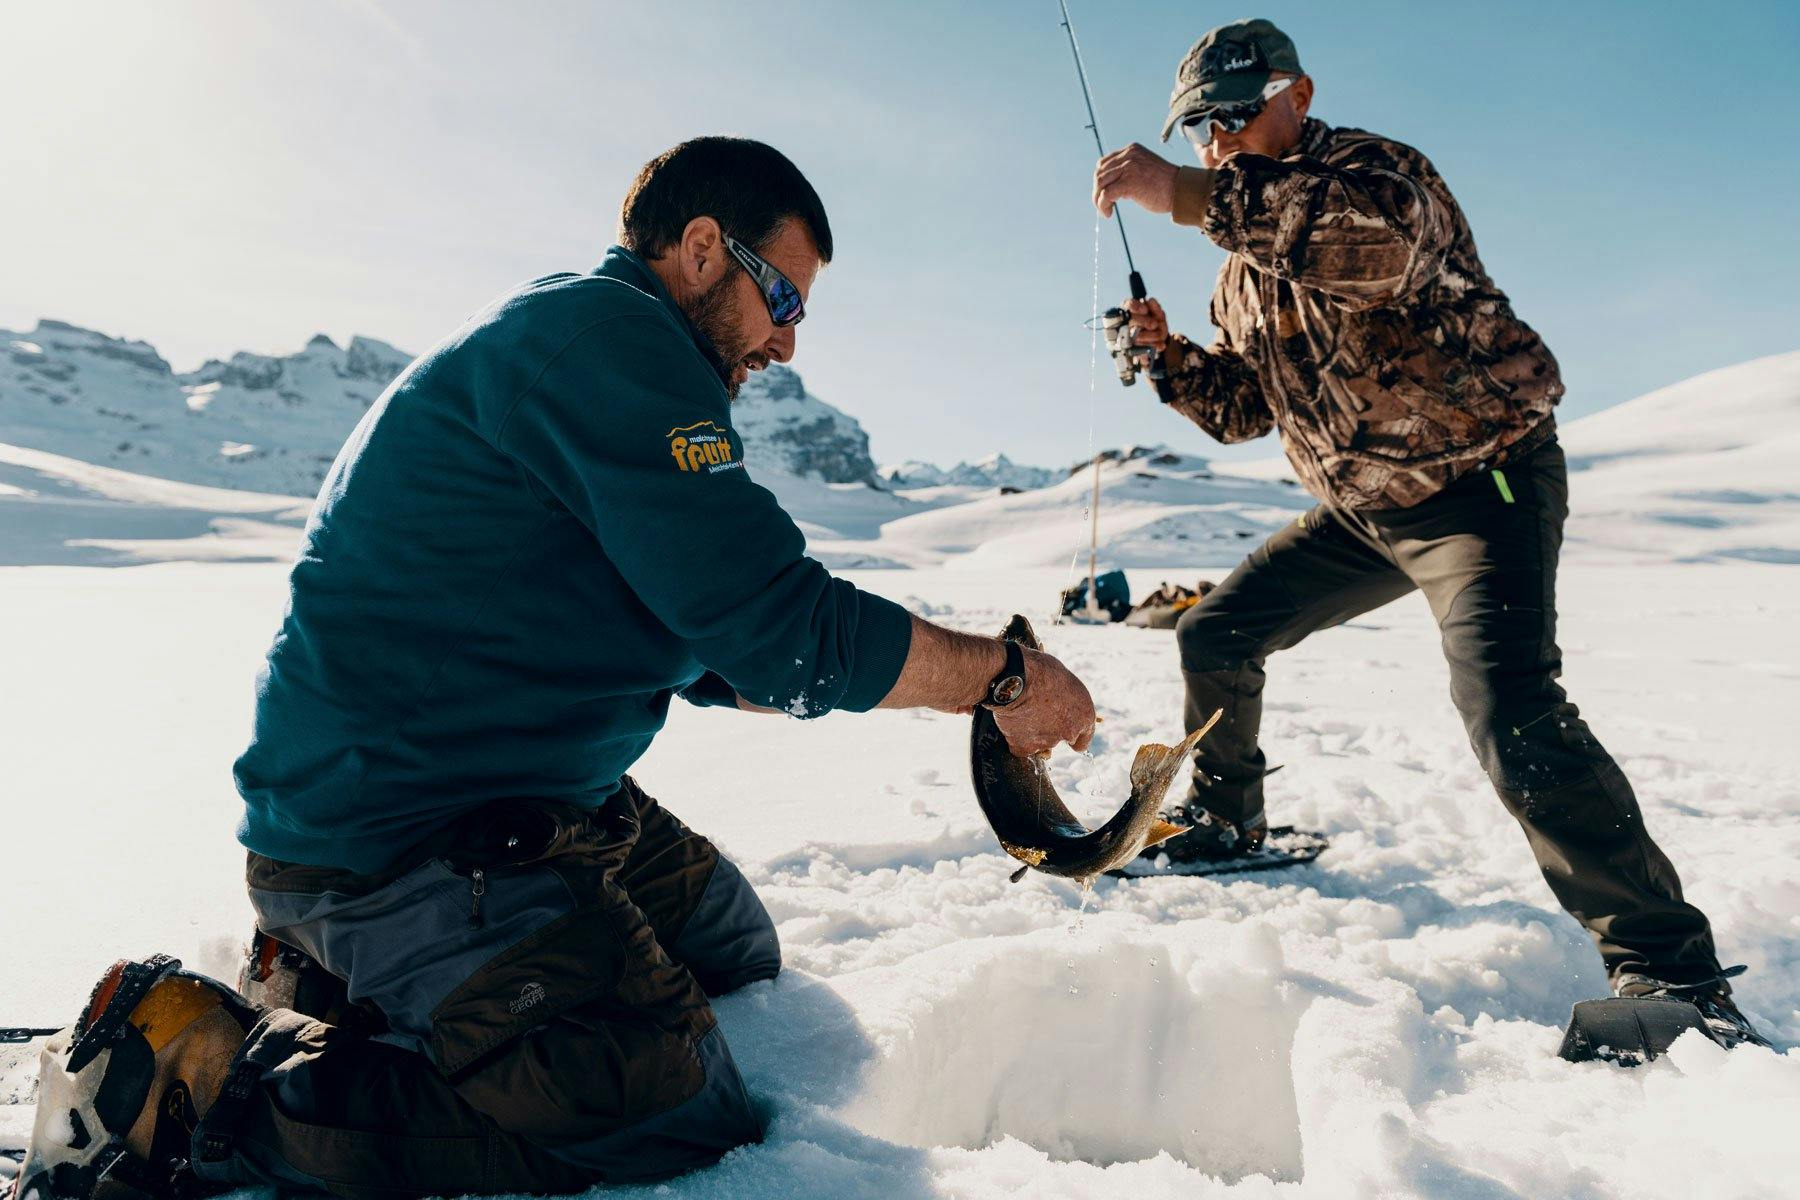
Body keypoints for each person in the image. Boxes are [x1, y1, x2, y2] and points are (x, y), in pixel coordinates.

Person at [16, 137, 1097, 1200]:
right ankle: (199, 1086)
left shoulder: (606, 353)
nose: (787, 345)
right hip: (398, 830)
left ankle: (342, 984)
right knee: (664, 1110)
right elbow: (775, 623)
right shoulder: (609, 343)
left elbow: (718, 638)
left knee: (730, 949)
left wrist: (869, 661)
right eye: (786, 299)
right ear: (705, 249)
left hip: (514, 793)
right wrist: (999, 678)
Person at [1090, 19, 1767, 1045]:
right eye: (1197, 128)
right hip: (1364, 512)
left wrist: (1183, 199)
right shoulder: (1239, 267)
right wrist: (1169, 356)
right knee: (1214, 636)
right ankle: (1231, 821)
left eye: (1233, 111)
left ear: (1296, 94)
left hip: (1480, 483)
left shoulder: (1378, 177)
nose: (1216, 138)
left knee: (1507, 703)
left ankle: (1676, 980)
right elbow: (1241, 408)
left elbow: (1366, 253)